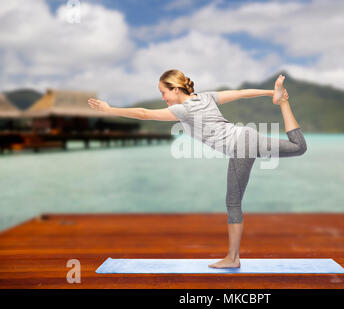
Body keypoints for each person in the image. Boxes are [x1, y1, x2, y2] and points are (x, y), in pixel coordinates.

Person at [88, 69, 307, 269]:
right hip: (247, 136)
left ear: (175, 89)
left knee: (233, 202)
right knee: (299, 148)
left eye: (163, 92)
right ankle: (284, 103)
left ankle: (233, 258)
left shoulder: (182, 110)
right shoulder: (206, 97)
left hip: (241, 145)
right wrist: (272, 92)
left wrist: (110, 109)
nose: (163, 98)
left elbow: (144, 113)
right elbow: (241, 93)